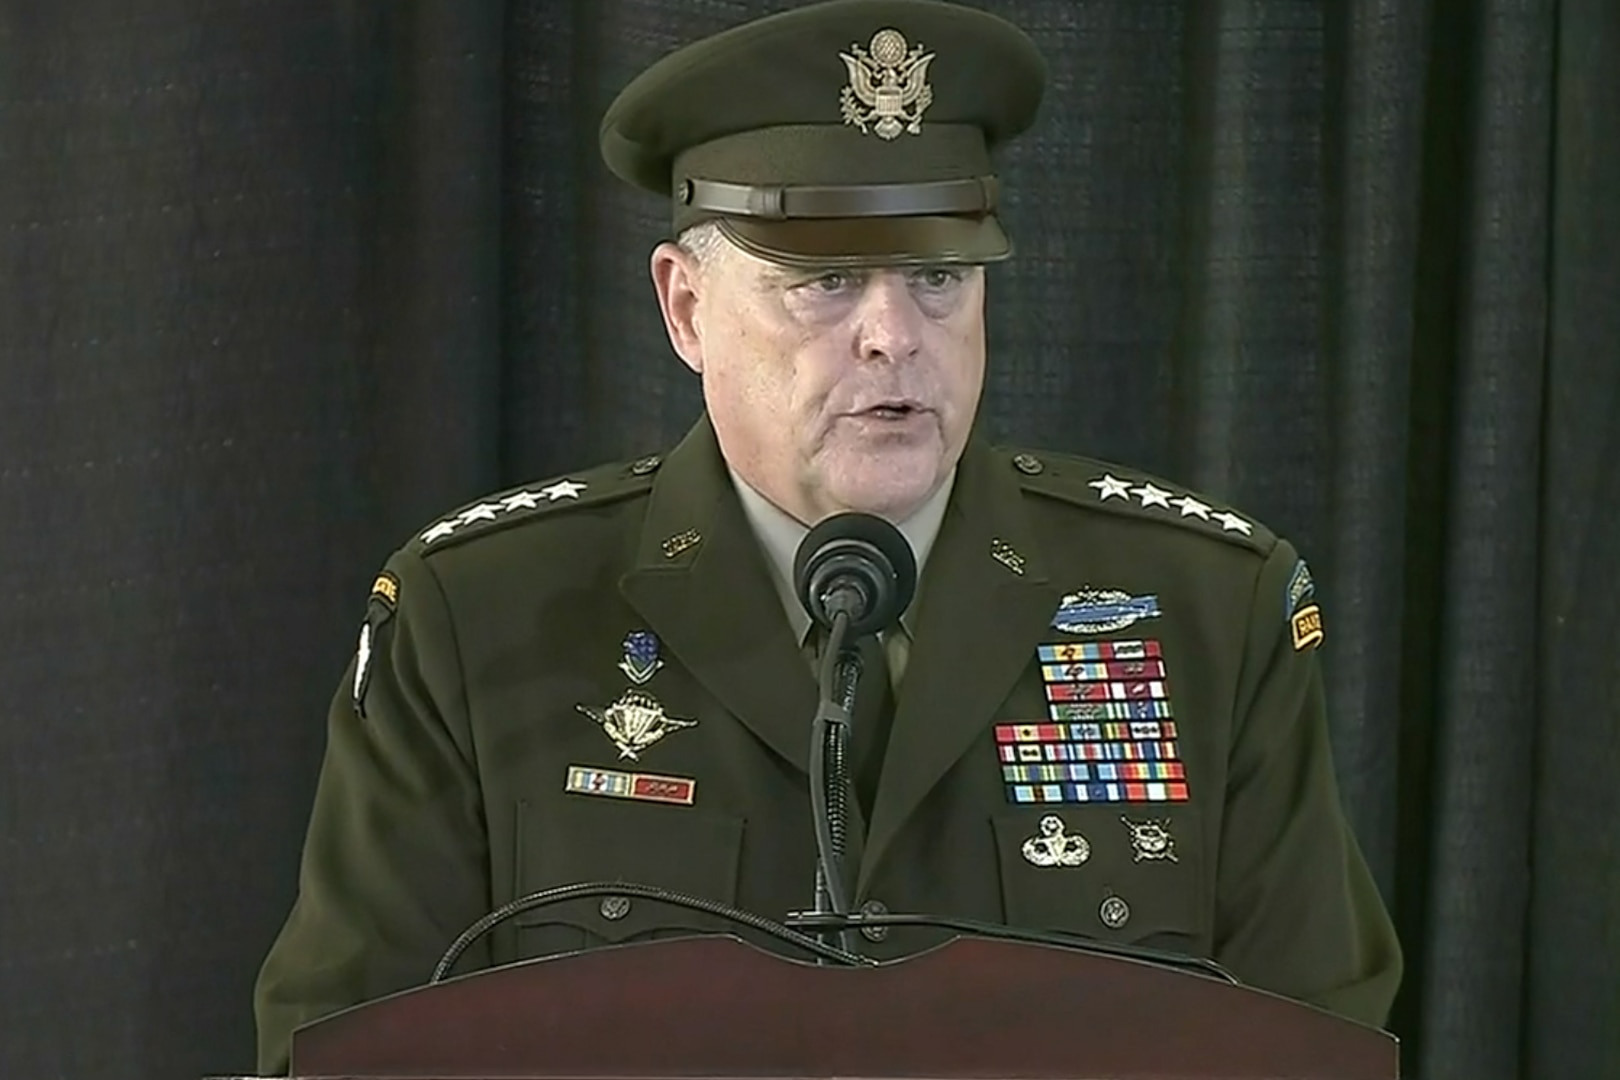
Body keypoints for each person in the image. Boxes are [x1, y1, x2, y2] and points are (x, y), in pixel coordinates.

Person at [252, 0, 1402, 1072]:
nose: (894, 337)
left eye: (941, 276)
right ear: (686, 310)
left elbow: (1315, 1037)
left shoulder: (1204, 609)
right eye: (828, 279)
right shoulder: (477, 620)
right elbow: (344, 1046)